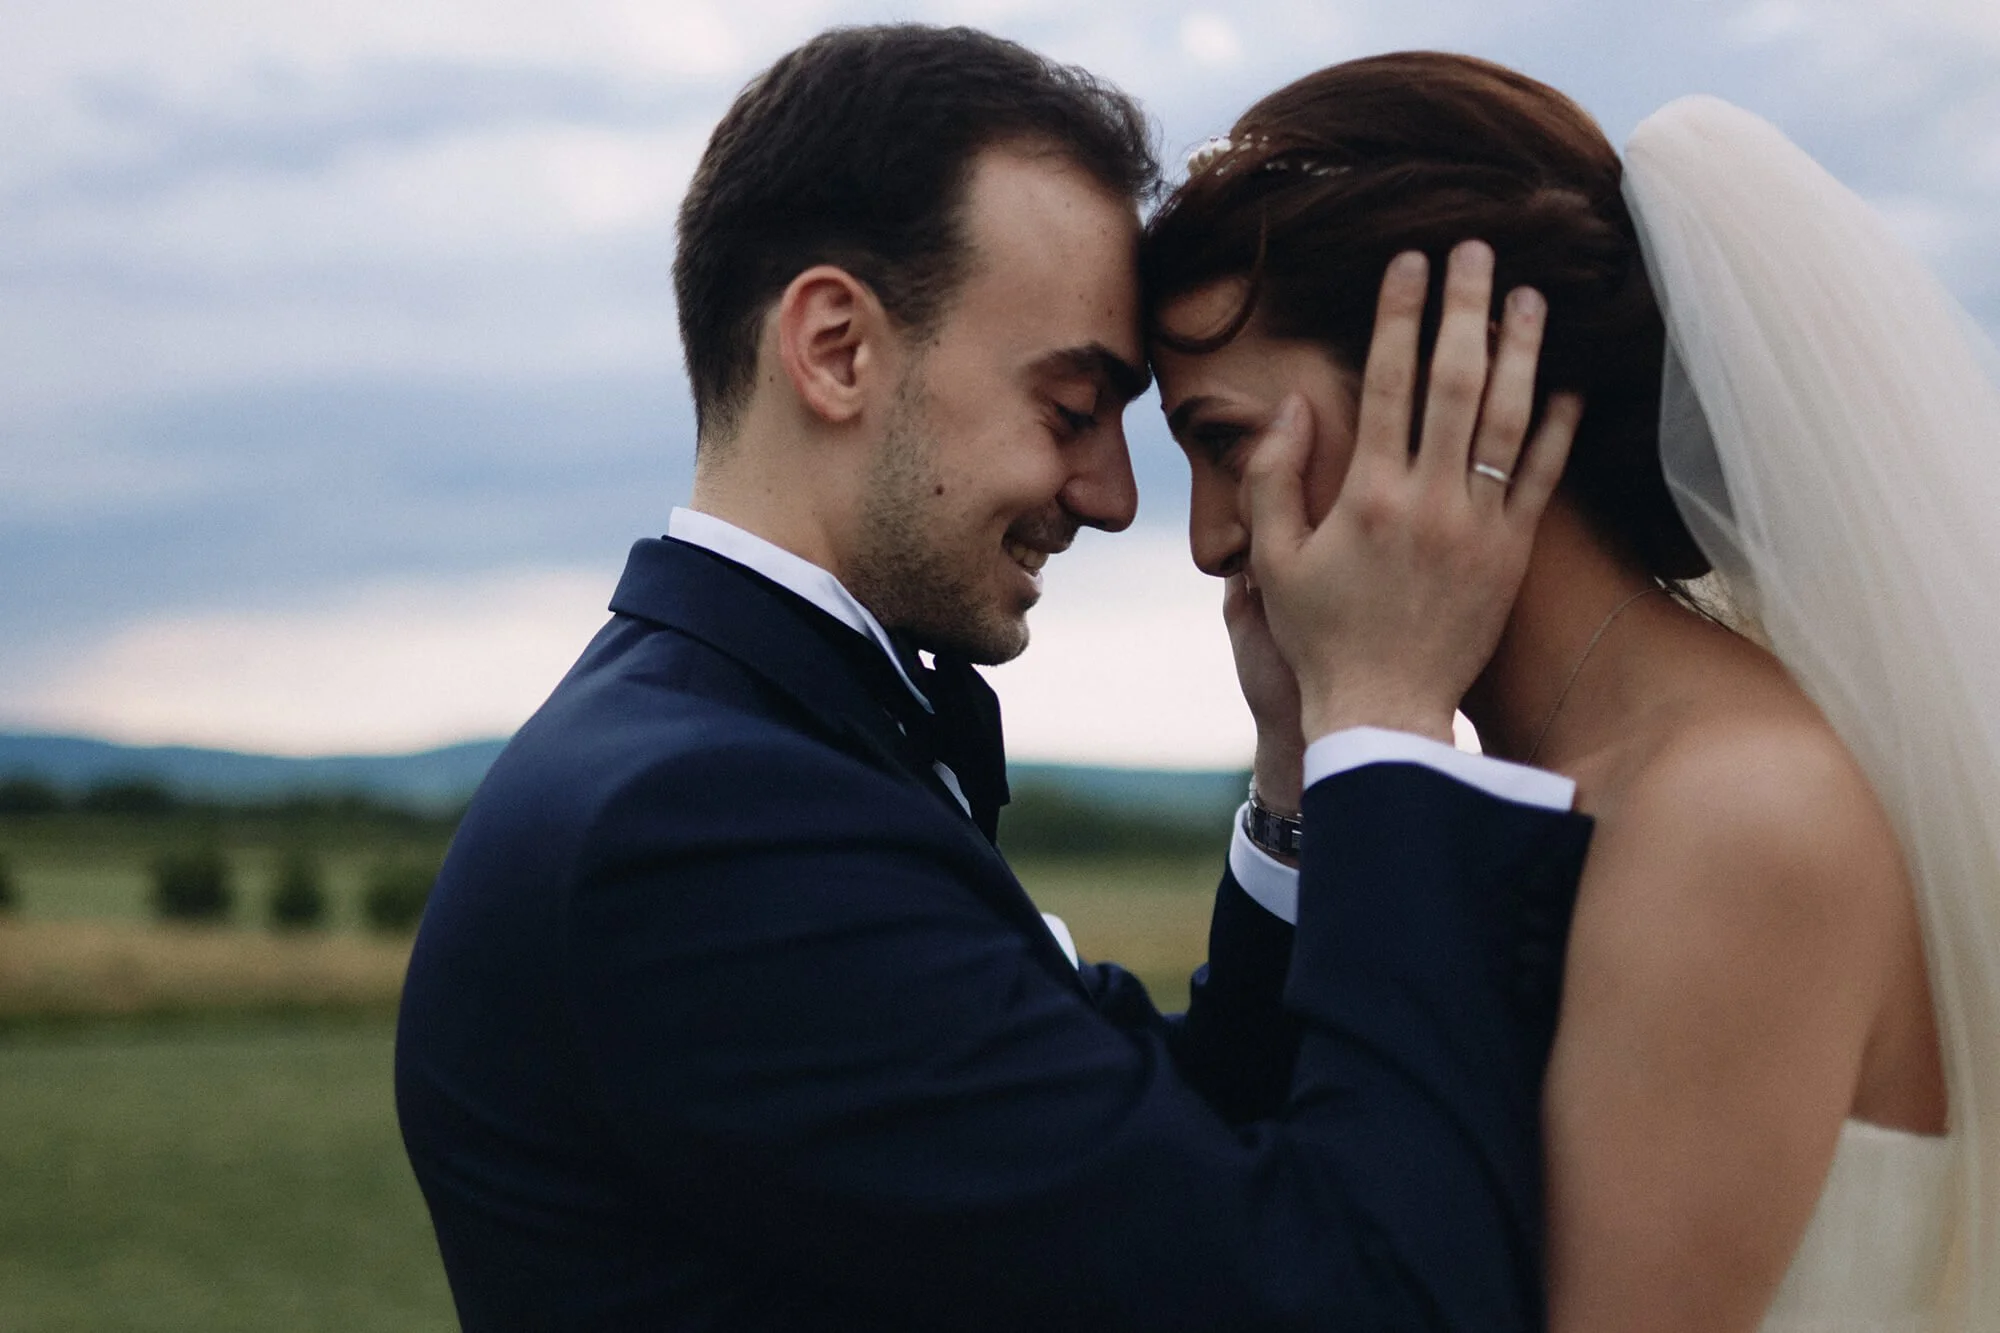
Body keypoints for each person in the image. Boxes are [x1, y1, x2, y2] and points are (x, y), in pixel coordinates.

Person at [395, 25, 1599, 1332]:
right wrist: (1392, 723)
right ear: (836, 349)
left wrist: (1304, 768)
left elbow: (1166, 1160)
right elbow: (1363, 1300)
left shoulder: (734, 749)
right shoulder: (699, 834)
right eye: (1071, 409)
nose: (1114, 495)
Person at [1144, 52, 2000, 1333]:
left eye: (1224, 442)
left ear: (1458, 386)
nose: (1213, 536)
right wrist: (1309, 755)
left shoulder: (1731, 812)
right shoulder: (1553, 783)